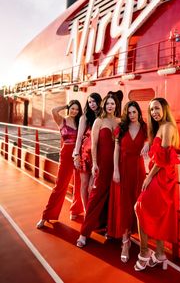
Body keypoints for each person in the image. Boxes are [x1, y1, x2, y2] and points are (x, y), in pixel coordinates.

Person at [134, 97, 180, 271]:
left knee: (139, 207)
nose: (154, 112)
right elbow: (159, 150)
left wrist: (148, 177)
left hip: (162, 176)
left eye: (157, 108)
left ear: (165, 109)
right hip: (161, 174)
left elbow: (163, 159)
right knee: (157, 212)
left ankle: (144, 251)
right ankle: (160, 254)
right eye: (151, 109)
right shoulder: (162, 127)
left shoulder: (167, 127)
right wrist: (148, 143)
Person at [76, 93, 121, 247]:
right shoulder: (99, 121)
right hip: (102, 165)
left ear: (116, 105)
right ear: (104, 105)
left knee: (113, 198)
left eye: (112, 104)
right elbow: (94, 144)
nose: (110, 106)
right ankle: (84, 233)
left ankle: (111, 230)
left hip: (116, 166)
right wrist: (95, 164)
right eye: (107, 103)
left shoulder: (120, 121)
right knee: (95, 197)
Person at [109, 101, 147, 263]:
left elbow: (157, 139)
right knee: (124, 204)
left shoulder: (146, 128)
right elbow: (116, 150)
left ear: (138, 112)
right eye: (129, 112)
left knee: (137, 204)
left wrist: (149, 144)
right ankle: (125, 242)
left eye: (134, 112)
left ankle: (137, 236)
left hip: (138, 171)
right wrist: (115, 171)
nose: (132, 115)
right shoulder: (121, 128)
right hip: (123, 170)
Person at [36, 100, 83, 229]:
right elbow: (53, 110)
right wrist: (65, 106)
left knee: (79, 185)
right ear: (69, 109)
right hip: (66, 156)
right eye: (72, 108)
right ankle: (46, 216)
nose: (74, 111)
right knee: (60, 186)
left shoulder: (80, 122)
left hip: (78, 155)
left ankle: (75, 210)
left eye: (77, 109)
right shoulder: (61, 120)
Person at [72, 93, 102, 215]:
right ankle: (86, 211)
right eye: (89, 102)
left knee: (92, 186)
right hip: (84, 154)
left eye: (94, 101)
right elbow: (79, 138)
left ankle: (92, 211)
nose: (92, 104)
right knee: (84, 185)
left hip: (97, 155)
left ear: (99, 102)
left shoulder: (102, 117)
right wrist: (76, 155)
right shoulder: (84, 118)